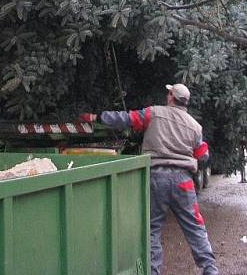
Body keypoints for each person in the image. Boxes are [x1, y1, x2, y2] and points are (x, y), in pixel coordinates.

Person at [82, 83, 218, 275]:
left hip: (155, 179)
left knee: (152, 230)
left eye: (168, 92)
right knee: (195, 228)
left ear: (171, 96)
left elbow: (127, 119)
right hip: (184, 182)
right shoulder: (195, 126)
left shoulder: (154, 113)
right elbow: (203, 156)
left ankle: (153, 271)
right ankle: (210, 270)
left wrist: (98, 117)